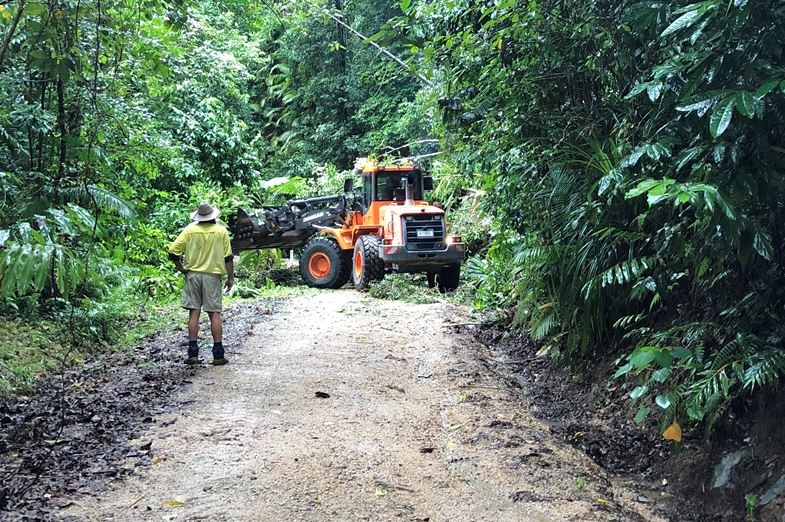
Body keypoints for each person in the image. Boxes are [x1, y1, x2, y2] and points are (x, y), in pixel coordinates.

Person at [168, 202, 234, 366]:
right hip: (213, 276)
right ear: (213, 217)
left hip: (193, 276)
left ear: (198, 217)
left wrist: (182, 269)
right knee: (214, 314)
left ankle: (192, 353)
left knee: (194, 313)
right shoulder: (221, 231)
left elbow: (173, 252)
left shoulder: (189, 230)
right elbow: (228, 258)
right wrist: (230, 278)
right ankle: (218, 354)